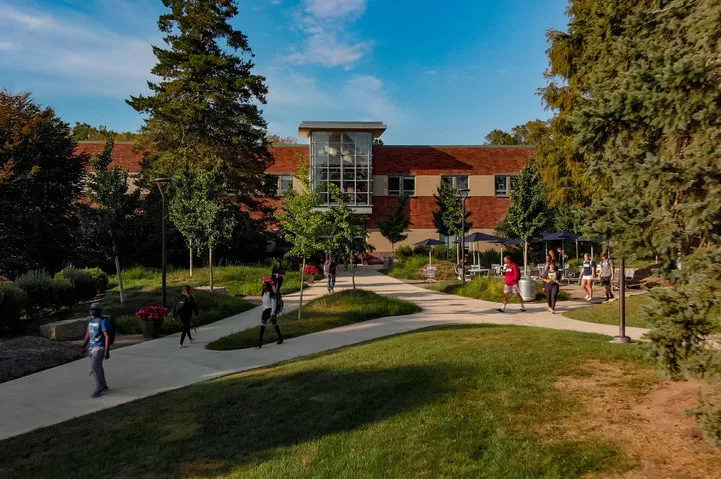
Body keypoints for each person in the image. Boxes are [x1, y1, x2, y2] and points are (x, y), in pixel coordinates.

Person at [81, 303, 111, 398]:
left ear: (98, 311)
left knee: (95, 368)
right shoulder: (91, 321)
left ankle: (100, 388)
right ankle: (104, 386)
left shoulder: (103, 321)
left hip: (99, 348)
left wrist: (107, 351)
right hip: (92, 347)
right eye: (91, 309)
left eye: (93, 309)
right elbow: (88, 335)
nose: (91, 311)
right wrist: (83, 346)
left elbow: (107, 337)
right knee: (98, 367)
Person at [256, 281, 283, 348]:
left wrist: (272, 314)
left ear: (268, 286)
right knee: (262, 326)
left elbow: (273, 304)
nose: (263, 286)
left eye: (264, 285)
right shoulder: (263, 294)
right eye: (263, 285)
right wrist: (263, 311)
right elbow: (264, 304)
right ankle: (260, 341)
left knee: (275, 325)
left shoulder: (272, 294)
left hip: (270, 311)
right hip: (265, 311)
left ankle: (280, 337)